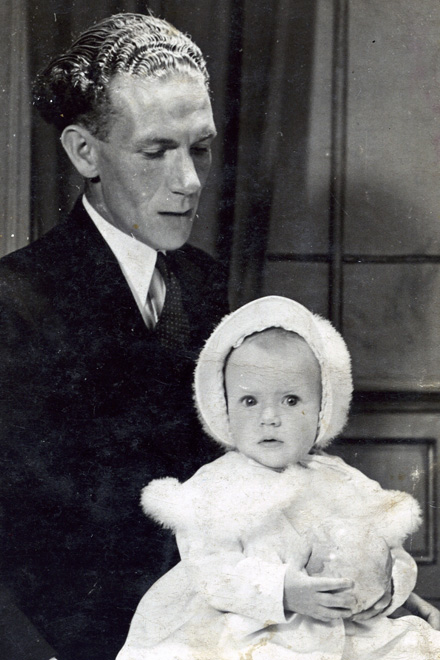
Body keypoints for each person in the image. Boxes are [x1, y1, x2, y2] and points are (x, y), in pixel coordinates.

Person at [0, 12, 228, 660]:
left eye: (201, 147)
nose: (189, 180)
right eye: (157, 151)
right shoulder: (14, 303)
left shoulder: (209, 286)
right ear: (83, 152)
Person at [117, 296, 440, 660]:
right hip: (249, 630)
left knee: (415, 646)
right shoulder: (215, 486)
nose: (269, 417)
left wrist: (391, 587)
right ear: (223, 409)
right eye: (250, 401)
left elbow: (388, 551)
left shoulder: (343, 481)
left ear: (322, 410)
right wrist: (283, 591)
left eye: (290, 400)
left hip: (341, 628)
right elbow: (209, 570)